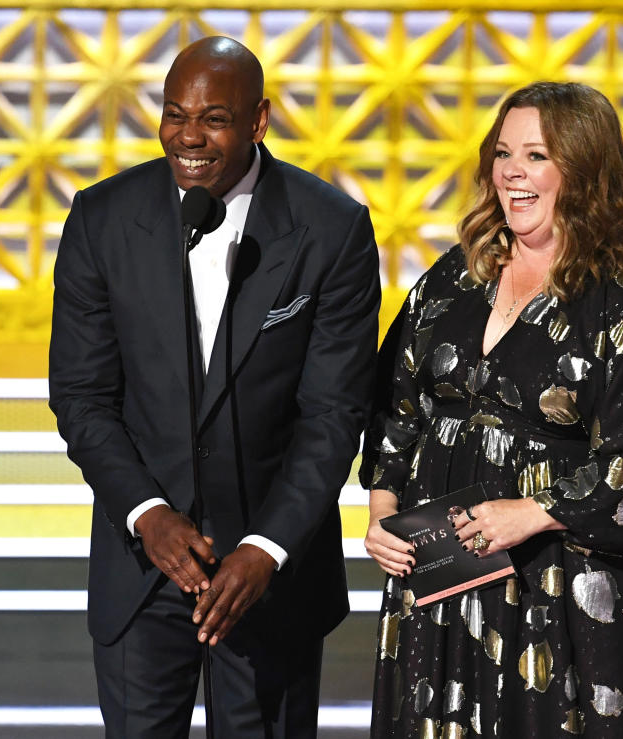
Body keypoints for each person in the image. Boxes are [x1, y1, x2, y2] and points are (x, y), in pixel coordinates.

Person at [49, 36, 379, 738]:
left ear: (258, 121)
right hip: (144, 572)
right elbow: (82, 395)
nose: (188, 137)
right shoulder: (103, 218)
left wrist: (267, 547)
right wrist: (148, 512)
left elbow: (333, 413)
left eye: (213, 119)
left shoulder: (332, 229)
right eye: (174, 114)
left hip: (270, 579)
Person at [361, 81, 623, 737]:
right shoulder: (451, 279)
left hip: (567, 591)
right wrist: (382, 512)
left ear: (584, 169)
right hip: (443, 581)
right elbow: (395, 404)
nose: (514, 171)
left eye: (537, 155)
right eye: (504, 153)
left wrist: (534, 512)